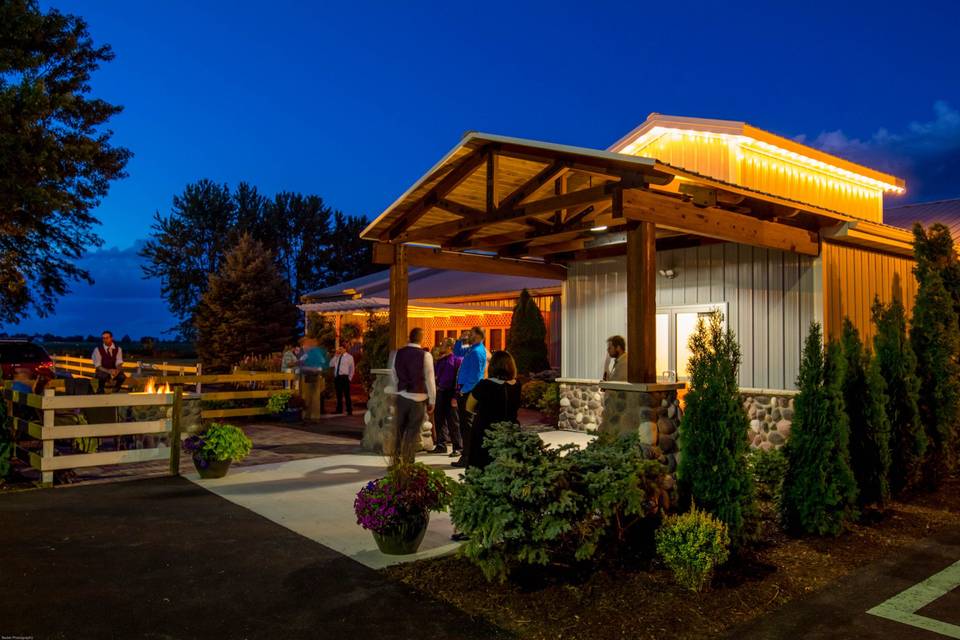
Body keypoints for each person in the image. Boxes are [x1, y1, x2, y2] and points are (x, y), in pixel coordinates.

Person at [455, 350, 521, 470]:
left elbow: (469, 407)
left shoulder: (484, 385)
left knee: (482, 466)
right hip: (510, 430)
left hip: (485, 431)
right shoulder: (517, 386)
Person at [388, 328, 436, 464]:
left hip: (402, 396)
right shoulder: (425, 355)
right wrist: (432, 400)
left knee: (399, 429)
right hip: (418, 398)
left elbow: (393, 375)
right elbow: (429, 379)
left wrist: (394, 392)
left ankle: (395, 459)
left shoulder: (397, 353)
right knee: (412, 431)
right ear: (421, 338)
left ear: (409, 337)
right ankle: (408, 462)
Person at [453, 326, 487, 462]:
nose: (468, 336)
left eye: (471, 334)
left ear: (478, 336)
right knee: (464, 425)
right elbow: (457, 353)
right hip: (465, 390)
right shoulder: (472, 349)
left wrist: (463, 391)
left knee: (467, 426)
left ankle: (468, 456)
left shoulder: (477, 352)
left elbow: (476, 376)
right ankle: (466, 455)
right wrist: (460, 340)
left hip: (468, 392)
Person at [429, 337, 462, 454]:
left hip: (450, 392)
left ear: (449, 347)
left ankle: (457, 447)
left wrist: (455, 395)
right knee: (439, 419)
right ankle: (441, 444)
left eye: (443, 344)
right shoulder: (441, 360)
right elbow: (436, 375)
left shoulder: (456, 360)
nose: (440, 346)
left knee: (453, 420)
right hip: (441, 392)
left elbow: (457, 379)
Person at [299, 337, 329, 420]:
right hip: (309, 376)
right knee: (309, 397)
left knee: (313, 397)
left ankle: (312, 416)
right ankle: (310, 416)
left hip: (313, 377)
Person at [329, 343, 355, 416]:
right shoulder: (337, 356)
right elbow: (330, 364)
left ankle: (349, 410)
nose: (339, 350)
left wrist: (349, 378)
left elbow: (352, 369)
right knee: (338, 395)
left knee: (347, 394)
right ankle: (339, 409)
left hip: (344, 377)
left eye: (340, 348)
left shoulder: (349, 357)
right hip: (337, 377)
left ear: (345, 349)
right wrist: (335, 356)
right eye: (339, 348)